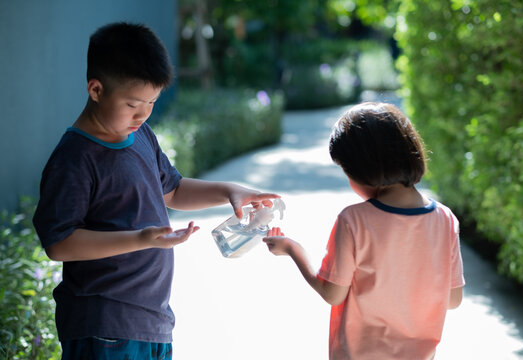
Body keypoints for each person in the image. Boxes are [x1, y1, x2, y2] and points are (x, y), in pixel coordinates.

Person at [32, 22, 279, 360]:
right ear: (96, 90)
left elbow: (173, 191)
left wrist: (229, 190)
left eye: (151, 102)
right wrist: (140, 239)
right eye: (133, 104)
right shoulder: (74, 158)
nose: (143, 114)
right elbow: (59, 244)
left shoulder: (141, 135)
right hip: (104, 327)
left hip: (153, 322)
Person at [263, 102, 465, 360]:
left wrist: (292, 249)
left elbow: (332, 293)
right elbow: (453, 299)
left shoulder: (354, 220)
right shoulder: (445, 219)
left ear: (363, 169)